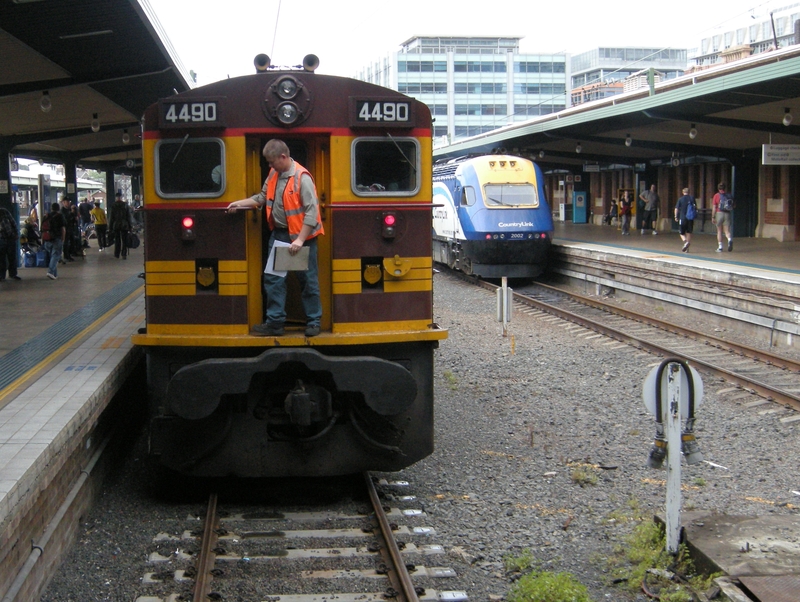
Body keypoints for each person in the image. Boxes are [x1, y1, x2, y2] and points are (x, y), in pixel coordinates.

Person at [227, 139, 324, 337]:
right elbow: (262, 197)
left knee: (307, 282)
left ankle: (314, 322)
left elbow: (312, 213)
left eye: (272, 162)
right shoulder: (274, 174)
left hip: (300, 239)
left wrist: (299, 240)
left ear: (283, 157)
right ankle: (275, 323)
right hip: (280, 235)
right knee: (274, 280)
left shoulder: (302, 177)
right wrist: (239, 203)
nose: (269, 166)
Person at [42, 201, 65, 280]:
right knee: (55, 256)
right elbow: (63, 229)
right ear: (58, 209)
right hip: (56, 238)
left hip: (47, 239)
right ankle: (51, 272)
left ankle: (54, 274)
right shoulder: (60, 216)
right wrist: (63, 239)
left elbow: (42, 229)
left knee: (53, 257)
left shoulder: (46, 216)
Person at [0, 205, 21, 281]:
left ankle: (13, 274)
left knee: (12, 257)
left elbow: (13, 222)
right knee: (1, 259)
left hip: (10, 239)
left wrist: (16, 233)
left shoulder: (5, 212)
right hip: (1, 239)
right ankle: (1, 276)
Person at [108, 191, 131, 259]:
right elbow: (128, 216)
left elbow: (111, 217)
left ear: (116, 198)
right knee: (124, 240)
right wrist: (130, 226)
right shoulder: (125, 205)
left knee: (117, 240)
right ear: (121, 197)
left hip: (116, 225)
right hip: (124, 224)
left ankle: (117, 254)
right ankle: (124, 254)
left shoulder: (113, 205)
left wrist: (110, 227)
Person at [712, 182, 734, 252]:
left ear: (718, 188)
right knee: (727, 231)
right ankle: (729, 240)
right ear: (725, 188)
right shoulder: (729, 196)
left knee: (719, 231)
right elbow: (734, 205)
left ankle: (720, 247)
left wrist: (713, 216)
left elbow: (714, 207)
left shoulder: (716, 196)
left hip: (719, 213)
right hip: (727, 213)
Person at [674, 187, 696, 253]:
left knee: (681, 232)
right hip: (690, 218)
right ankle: (687, 248)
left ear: (683, 192)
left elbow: (676, 209)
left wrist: (676, 216)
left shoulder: (680, 199)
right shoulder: (692, 198)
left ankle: (685, 242)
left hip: (683, 217)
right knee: (689, 232)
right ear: (689, 192)